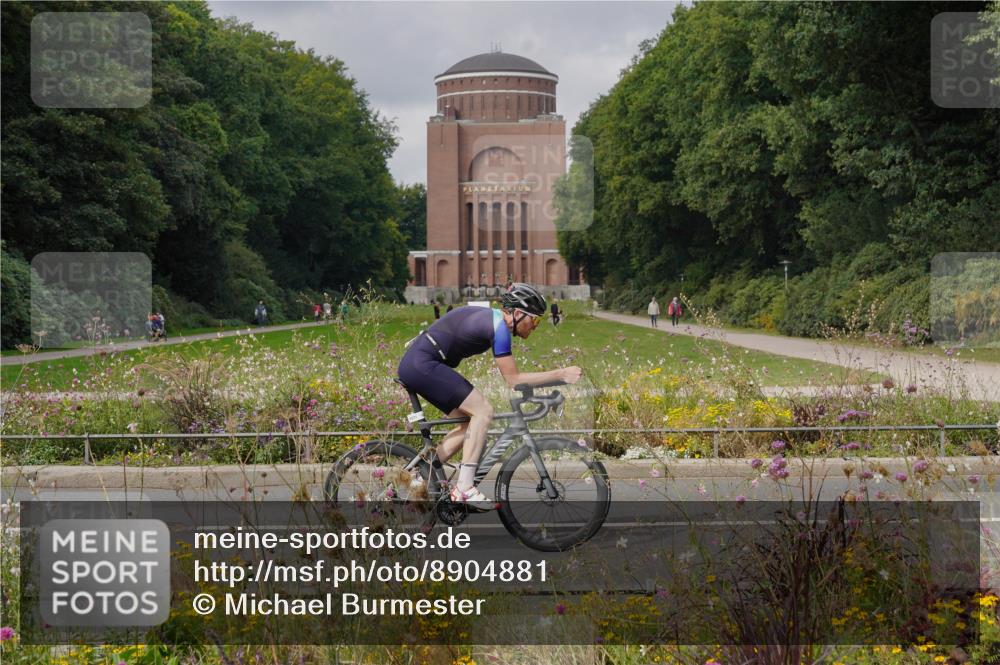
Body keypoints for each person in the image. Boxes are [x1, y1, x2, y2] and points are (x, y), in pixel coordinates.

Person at [397, 283, 582, 506]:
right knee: (483, 411)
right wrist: (561, 374)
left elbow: (514, 380)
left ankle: (419, 475)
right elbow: (513, 379)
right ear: (517, 313)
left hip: (420, 363)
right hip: (422, 364)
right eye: (535, 319)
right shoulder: (499, 327)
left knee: (468, 423)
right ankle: (464, 489)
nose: (535, 326)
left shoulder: (494, 321)